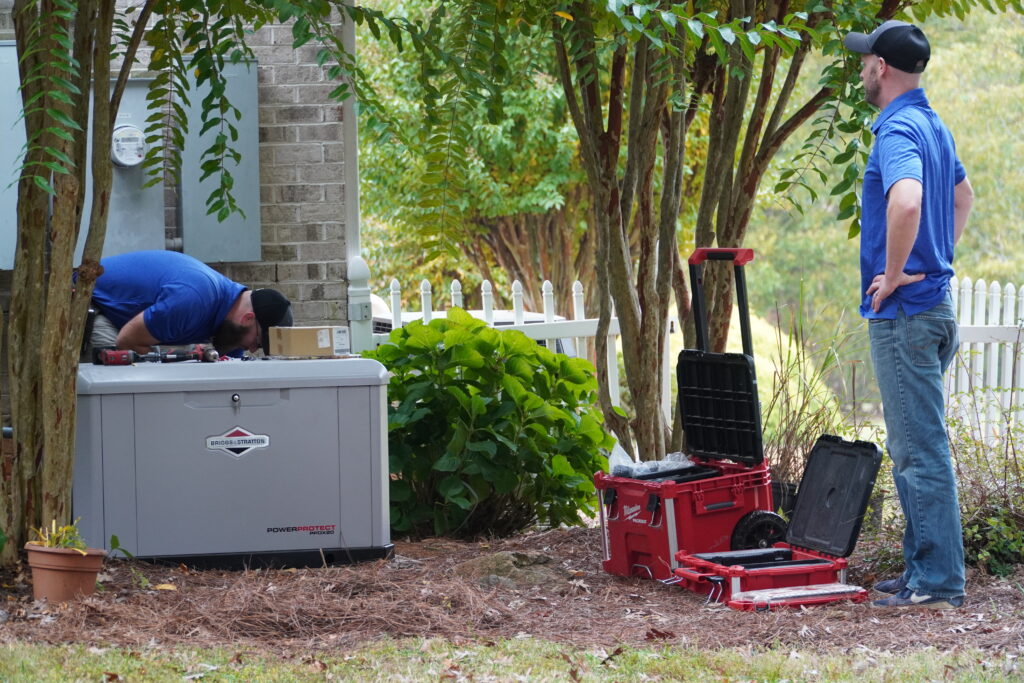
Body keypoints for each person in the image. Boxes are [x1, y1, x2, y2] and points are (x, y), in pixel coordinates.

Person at [845, 20, 974, 609]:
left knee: (921, 452)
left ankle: (938, 584)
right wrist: (939, 257)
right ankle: (923, 568)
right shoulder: (933, 124)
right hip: (935, 309)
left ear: (884, 68)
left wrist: (896, 273)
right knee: (917, 445)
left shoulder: (897, 128)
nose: (862, 68)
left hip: (906, 315)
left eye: (866, 60)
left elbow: (909, 200)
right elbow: (962, 197)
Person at [87, 250, 293, 357]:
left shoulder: (232, 328)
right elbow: (128, 340)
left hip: (125, 321)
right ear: (248, 318)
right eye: (257, 342)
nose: (252, 349)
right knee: (121, 374)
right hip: (90, 305)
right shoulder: (196, 299)